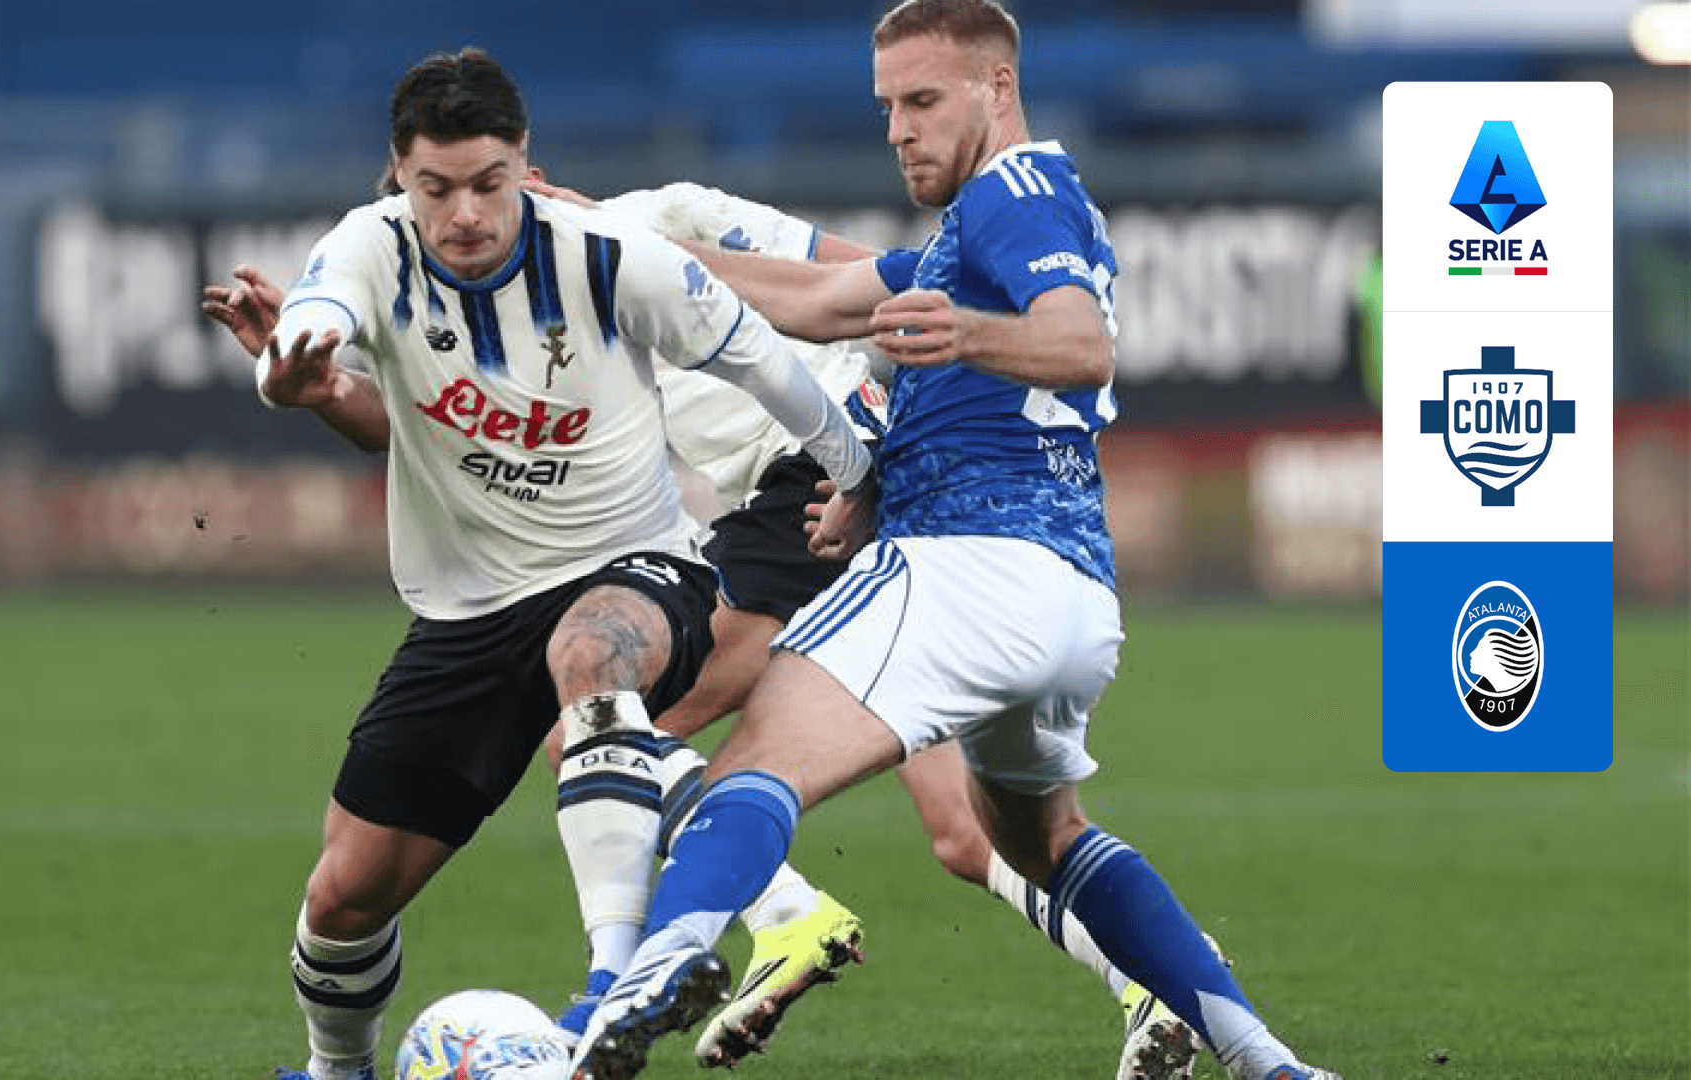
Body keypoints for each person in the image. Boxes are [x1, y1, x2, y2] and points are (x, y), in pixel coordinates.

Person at [569, 4, 1340, 1080]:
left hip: (968, 565)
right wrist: (614, 249)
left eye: (923, 100)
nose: (900, 129)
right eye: (888, 106)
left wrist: (963, 332)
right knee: (1040, 842)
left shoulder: (1015, 193)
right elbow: (809, 298)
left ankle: (640, 984)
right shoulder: (965, 234)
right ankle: (1269, 1063)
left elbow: (1081, 343)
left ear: (997, 88)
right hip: (1072, 598)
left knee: (752, 768)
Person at [200, 47, 872, 1080]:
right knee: (343, 896)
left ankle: (616, 986)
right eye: (436, 188)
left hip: (635, 566)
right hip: (465, 613)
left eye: (487, 183)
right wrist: (302, 379)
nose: (465, 213)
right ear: (400, 175)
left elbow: (763, 359)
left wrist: (856, 473)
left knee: (589, 658)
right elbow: (322, 322)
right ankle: (337, 1071)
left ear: (525, 161)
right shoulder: (372, 249)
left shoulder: (613, 254)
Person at [568, 178, 1212, 1080]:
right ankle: (1153, 983)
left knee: (603, 729)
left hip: (817, 482)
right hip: (837, 500)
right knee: (963, 832)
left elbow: (846, 272)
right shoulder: (505, 312)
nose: (454, 227)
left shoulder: (651, 216)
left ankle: (774, 922)